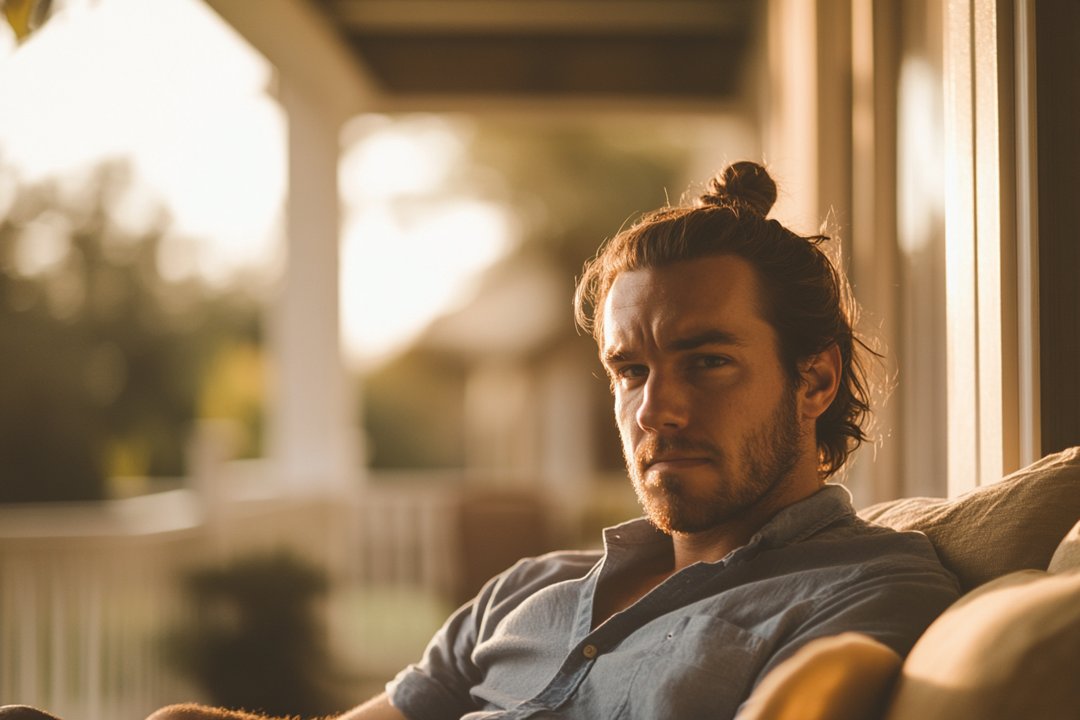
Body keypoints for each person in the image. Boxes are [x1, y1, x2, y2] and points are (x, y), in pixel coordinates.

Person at [0, 161, 960, 720]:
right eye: (629, 370)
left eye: (706, 362)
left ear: (816, 377)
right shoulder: (531, 591)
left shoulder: (870, 593)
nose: (654, 410)